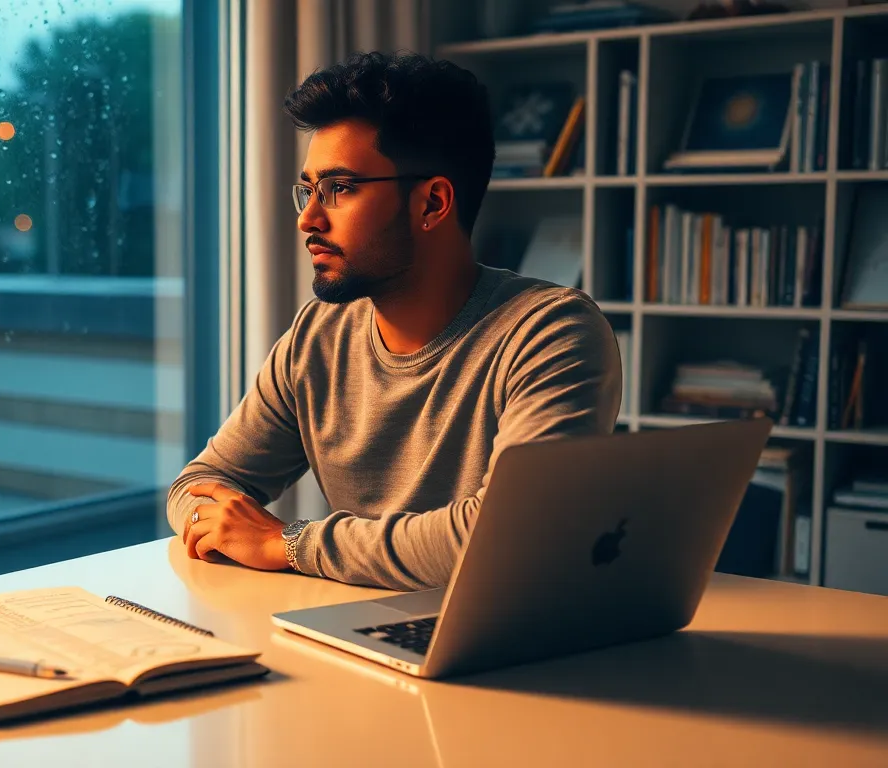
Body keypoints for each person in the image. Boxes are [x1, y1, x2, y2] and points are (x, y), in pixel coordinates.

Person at [168, 51, 622, 591]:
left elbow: (508, 537)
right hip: (355, 625)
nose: (307, 218)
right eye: (308, 189)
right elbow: (197, 484)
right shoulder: (317, 339)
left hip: (505, 639)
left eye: (340, 188)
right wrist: (222, 523)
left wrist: (286, 543)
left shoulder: (552, 334)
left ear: (432, 203)